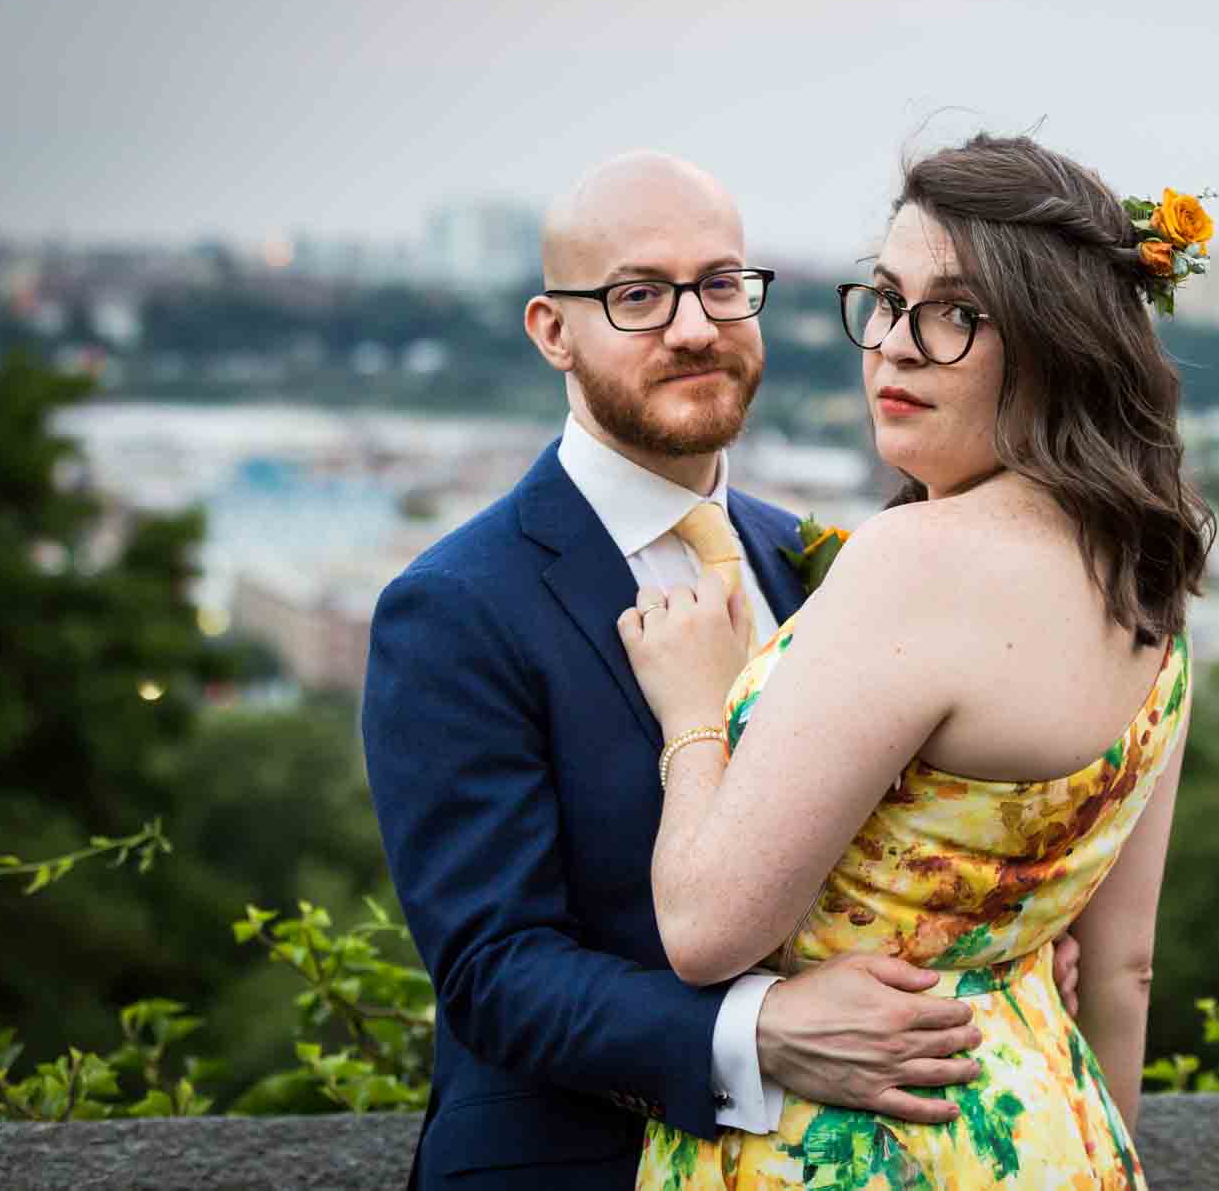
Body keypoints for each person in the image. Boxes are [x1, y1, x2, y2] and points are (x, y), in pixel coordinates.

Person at [362, 152, 1077, 1190]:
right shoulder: (454, 607)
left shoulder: (823, 557)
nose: (693, 326)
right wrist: (759, 1032)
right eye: (637, 296)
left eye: (719, 284)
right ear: (550, 330)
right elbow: (492, 972)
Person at [620, 134, 1216, 1187]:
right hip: (1055, 1137)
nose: (895, 344)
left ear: (1054, 342)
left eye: (954, 313)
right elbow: (1124, 970)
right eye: (887, 299)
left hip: (858, 1149)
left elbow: (706, 931)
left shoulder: (915, 560)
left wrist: (691, 714)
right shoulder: (1149, 593)